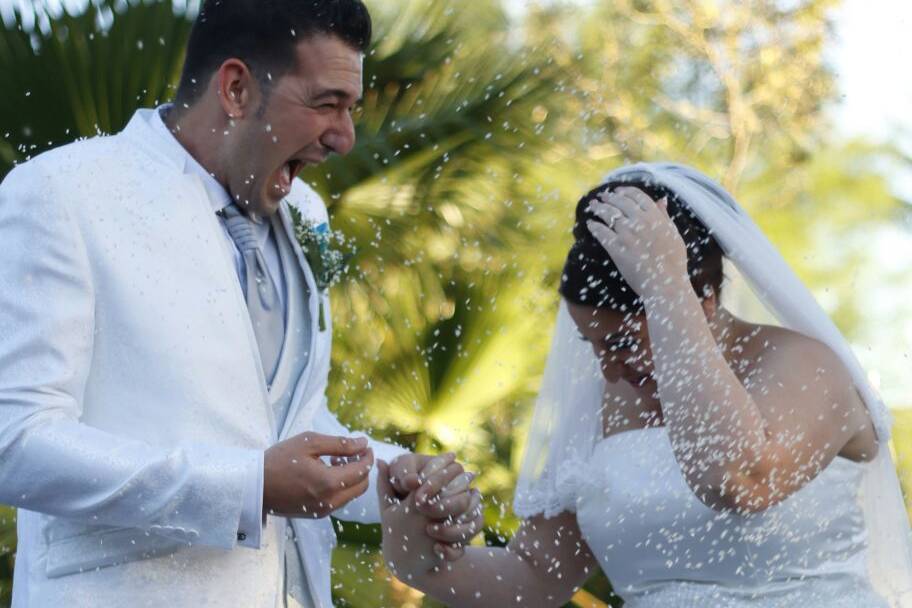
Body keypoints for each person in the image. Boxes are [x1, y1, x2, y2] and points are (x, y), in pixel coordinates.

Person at [0, 1, 481, 606]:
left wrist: (394, 476)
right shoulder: (60, 194)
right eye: (326, 103)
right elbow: (15, 441)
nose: (344, 137)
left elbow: (283, 420)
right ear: (235, 89)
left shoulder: (304, 213)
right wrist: (245, 487)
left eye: (350, 109)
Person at [377, 163, 912, 607]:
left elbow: (739, 479)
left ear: (700, 300)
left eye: (624, 344)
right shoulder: (605, 402)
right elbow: (534, 577)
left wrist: (664, 285)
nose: (609, 371)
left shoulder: (806, 367)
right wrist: (417, 554)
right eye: (594, 347)